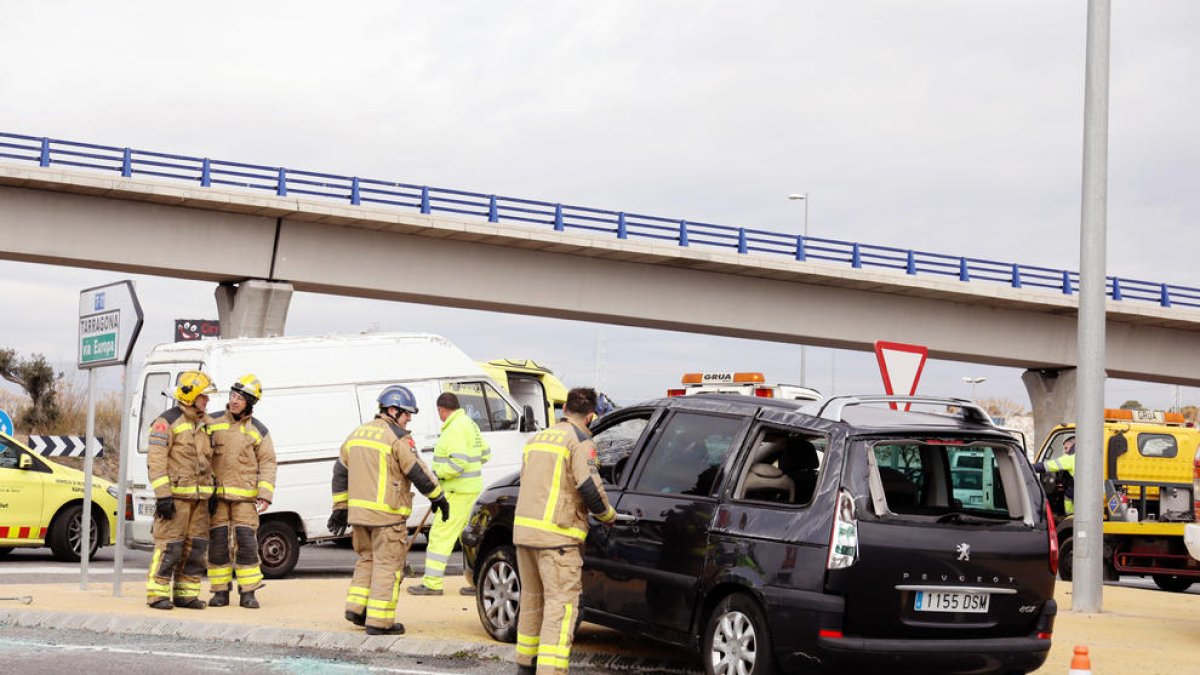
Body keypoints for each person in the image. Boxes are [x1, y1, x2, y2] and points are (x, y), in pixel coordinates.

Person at [328, 385, 450, 636]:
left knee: (367, 560)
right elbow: (417, 471)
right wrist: (438, 498)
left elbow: (340, 471)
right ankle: (380, 622)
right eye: (406, 414)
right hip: (388, 516)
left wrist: (340, 507)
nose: (408, 419)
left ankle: (357, 608)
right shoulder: (397, 438)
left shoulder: (357, 434)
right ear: (392, 410)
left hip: (359, 516)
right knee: (388, 566)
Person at [513, 387, 616, 675]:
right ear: (591, 416)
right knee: (561, 608)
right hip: (558, 538)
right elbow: (589, 486)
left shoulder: (538, 439)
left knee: (533, 601)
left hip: (525, 536)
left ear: (566, 409)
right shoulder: (582, 442)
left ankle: (526, 665)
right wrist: (608, 515)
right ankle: (551, 670)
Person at [145, 370, 216, 610]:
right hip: (175, 500)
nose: (207, 401)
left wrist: (212, 491)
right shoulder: (166, 423)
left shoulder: (206, 424)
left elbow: (210, 462)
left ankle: (186, 594)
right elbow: (156, 462)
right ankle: (157, 594)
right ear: (191, 396)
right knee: (169, 548)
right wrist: (163, 495)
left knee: (195, 549)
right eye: (203, 397)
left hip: (200, 501)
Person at [408, 392, 490, 596]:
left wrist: (439, 472)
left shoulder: (454, 428)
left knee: (440, 536)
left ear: (441, 409)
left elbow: (458, 462)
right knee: (470, 538)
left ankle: (432, 584)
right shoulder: (470, 424)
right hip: (471, 490)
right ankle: (479, 582)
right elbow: (486, 454)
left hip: (456, 492)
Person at [206, 374, 277, 609]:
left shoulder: (259, 430)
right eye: (233, 395)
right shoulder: (212, 421)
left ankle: (248, 593)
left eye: (240, 397)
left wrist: (265, 494)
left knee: (246, 544)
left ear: (250, 402)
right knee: (218, 545)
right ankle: (219, 593)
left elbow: (267, 462)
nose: (234, 401)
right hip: (217, 498)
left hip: (245, 500)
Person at [1034, 435, 1076, 514]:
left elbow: (1045, 466)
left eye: (1066, 448)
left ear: (1074, 445)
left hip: (1075, 513)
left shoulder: (1071, 458)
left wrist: (1027, 467)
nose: (1065, 451)